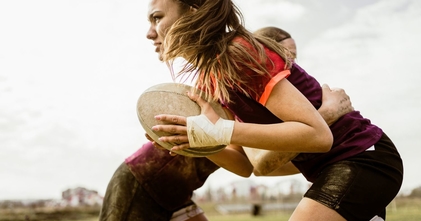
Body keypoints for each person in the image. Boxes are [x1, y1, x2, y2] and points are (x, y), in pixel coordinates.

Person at [98, 2, 354, 221]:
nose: (290, 64)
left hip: (178, 190)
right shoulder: (234, 73)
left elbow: (249, 165)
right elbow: (261, 162)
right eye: (286, 55)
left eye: (294, 57)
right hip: (143, 178)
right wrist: (326, 115)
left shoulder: (256, 100)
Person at [150, 1, 404, 221]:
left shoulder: (236, 53)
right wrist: (195, 142)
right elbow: (245, 165)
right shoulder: (209, 80)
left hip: (363, 158)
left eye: (157, 18)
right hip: (336, 167)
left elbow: (318, 135)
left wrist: (220, 132)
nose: (150, 33)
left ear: (193, 13)